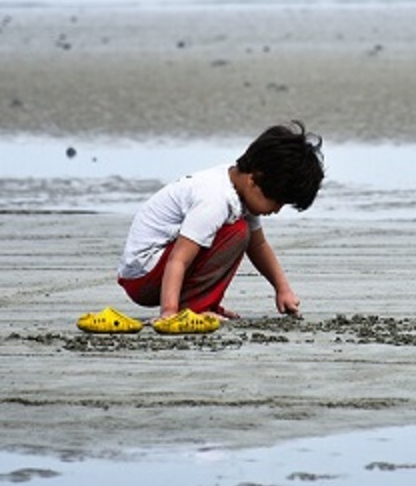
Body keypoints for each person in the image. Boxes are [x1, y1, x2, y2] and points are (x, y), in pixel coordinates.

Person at [78, 121, 324, 335]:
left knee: (243, 233)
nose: (277, 210)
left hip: (160, 273)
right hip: (145, 275)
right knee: (236, 233)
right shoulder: (214, 198)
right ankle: (194, 308)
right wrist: (169, 314)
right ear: (254, 180)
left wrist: (283, 290)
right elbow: (179, 259)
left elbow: (259, 246)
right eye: (277, 201)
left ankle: (203, 305)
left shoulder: (239, 190)